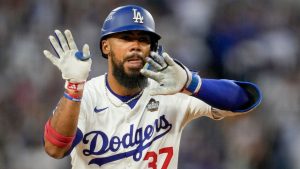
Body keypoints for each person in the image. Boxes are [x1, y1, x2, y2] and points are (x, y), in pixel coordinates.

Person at [43, 5, 262, 169]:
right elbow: (55, 149)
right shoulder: (88, 94)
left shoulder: (171, 88)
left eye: (143, 39)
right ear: (106, 46)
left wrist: (191, 83)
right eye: (126, 38)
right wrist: (74, 86)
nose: (136, 46)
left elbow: (246, 99)